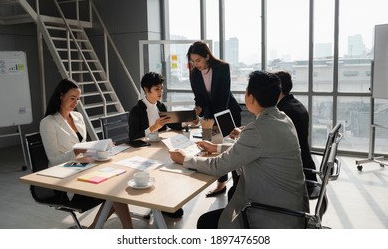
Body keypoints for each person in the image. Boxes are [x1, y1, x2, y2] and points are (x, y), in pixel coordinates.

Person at [169, 70, 309, 228]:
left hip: (273, 215)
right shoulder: (283, 118)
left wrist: (184, 159)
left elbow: (218, 166)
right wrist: (216, 146)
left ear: (251, 97)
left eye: (247, 90)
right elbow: (251, 149)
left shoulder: (258, 129)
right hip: (291, 207)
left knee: (205, 222)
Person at [40, 78, 133, 229]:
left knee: (118, 182)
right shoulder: (48, 123)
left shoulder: (78, 117)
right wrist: (76, 152)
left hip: (84, 167)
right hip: (64, 176)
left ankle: (95, 230)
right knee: (115, 189)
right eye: (72, 98)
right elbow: (54, 160)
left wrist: (101, 147)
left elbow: (84, 146)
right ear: (60, 96)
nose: (75, 102)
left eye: (78, 99)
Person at [187, 41, 242, 198]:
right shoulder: (194, 74)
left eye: (198, 60)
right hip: (211, 114)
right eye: (192, 61)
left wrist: (219, 122)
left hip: (228, 112)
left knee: (234, 147)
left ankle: (239, 185)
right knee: (215, 147)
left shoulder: (222, 68)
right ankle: (221, 183)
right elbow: (200, 98)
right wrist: (198, 110)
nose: (195, 64)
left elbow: (224, 96)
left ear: (207, 56)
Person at [128, 71, 184, 218]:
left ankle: (166, 202)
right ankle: (159, 204)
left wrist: (187, 120)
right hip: (144, 153)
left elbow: (172, 125)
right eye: (157, 89)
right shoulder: (137, 111)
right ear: (146, 90)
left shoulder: (161, 106)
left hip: (159, 149)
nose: (161, 92)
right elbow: (133, 137)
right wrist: (152, 128)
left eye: (162, 88)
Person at [274, 70, 318, 187]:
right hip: (305, 166)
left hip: (296, 174)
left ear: (277, 88)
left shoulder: (284, 112)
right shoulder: (296, 104)